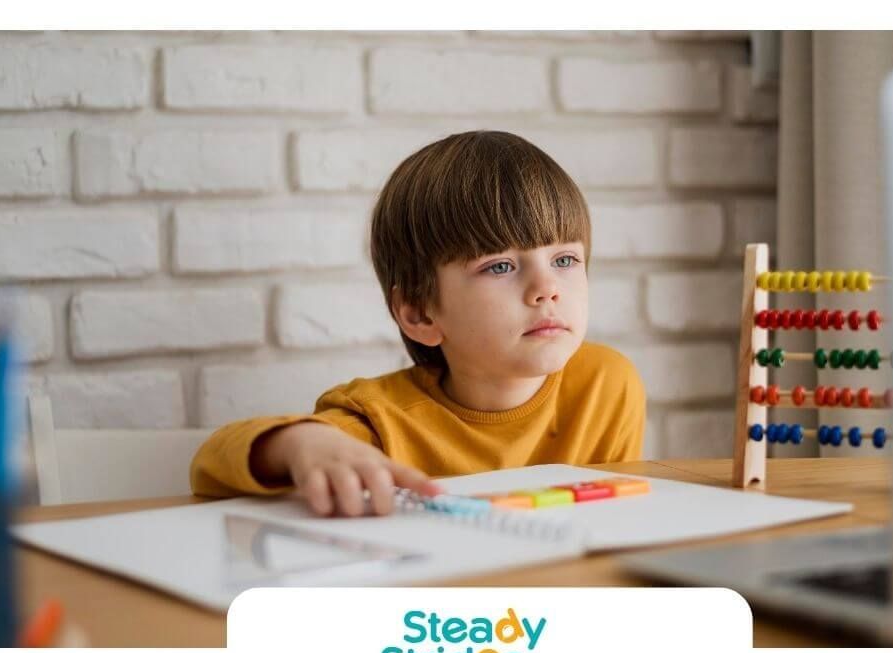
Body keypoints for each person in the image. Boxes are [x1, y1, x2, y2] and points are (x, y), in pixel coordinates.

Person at [190, 130, 646, 517]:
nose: (547, 289)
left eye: (564, 259)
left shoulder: (605, 384)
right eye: (500, 266)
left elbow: (617, 523)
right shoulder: (381, 421)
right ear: (419, 313)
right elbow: (210, 465)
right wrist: (298, 444)